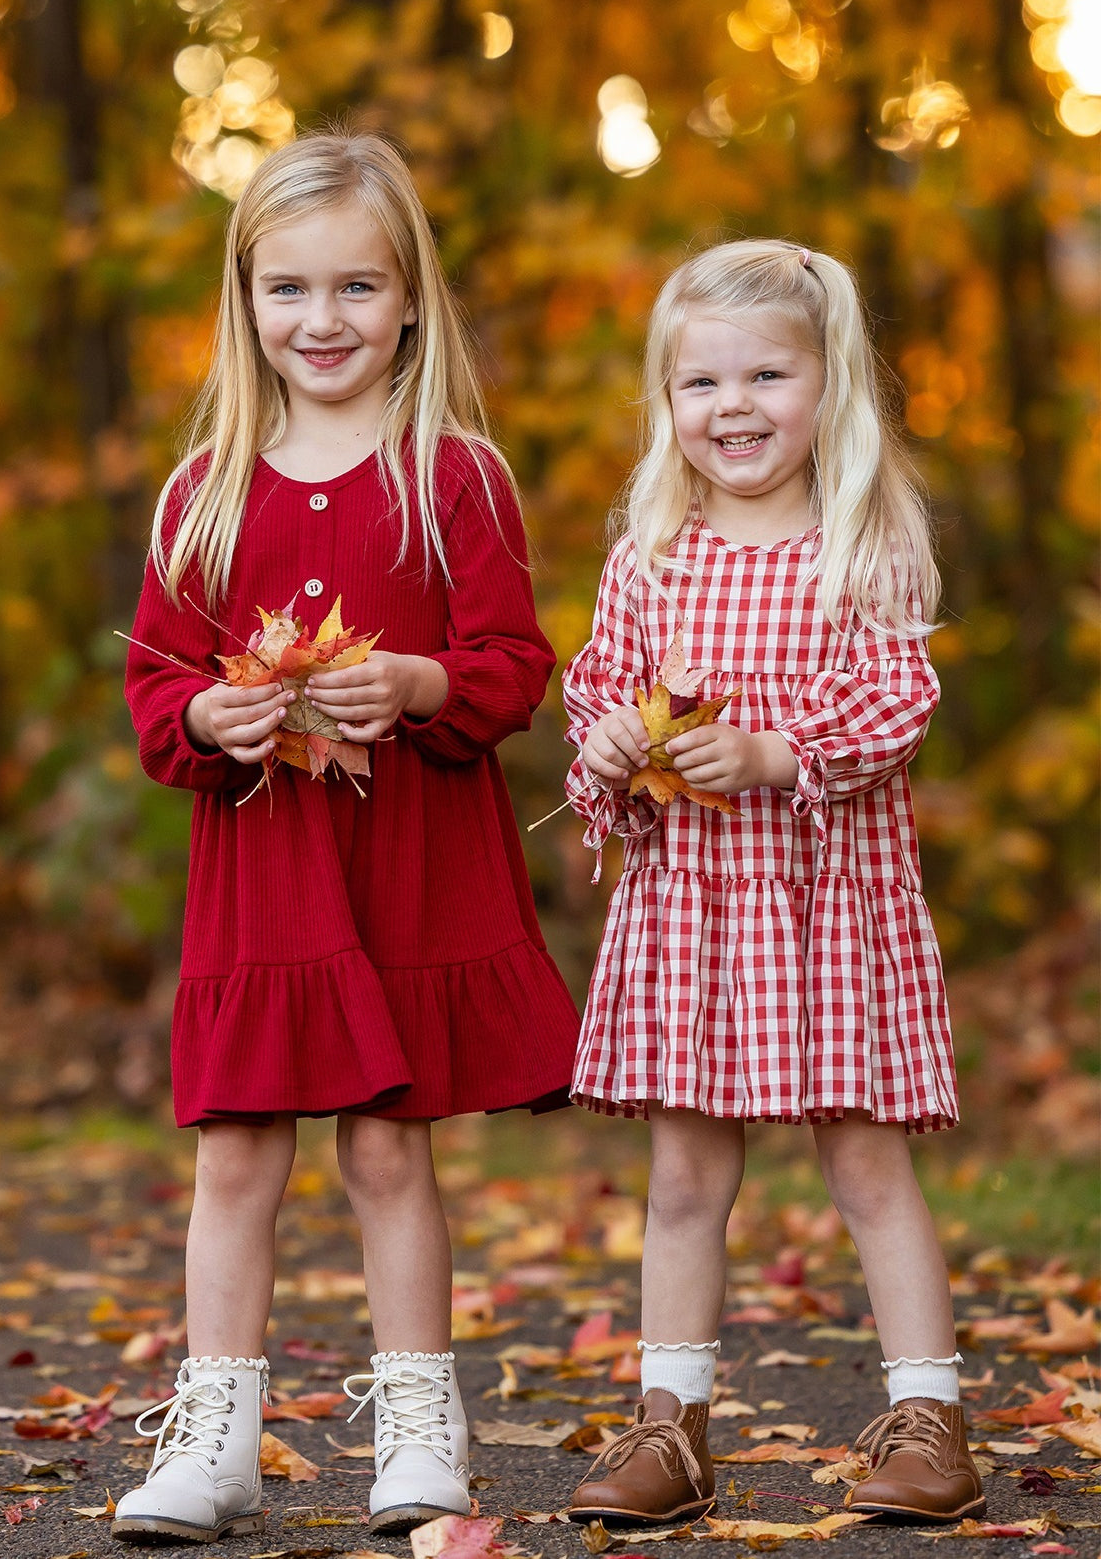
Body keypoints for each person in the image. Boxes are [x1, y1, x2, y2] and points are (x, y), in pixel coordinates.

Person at [117, 129, 579, 1542]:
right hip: (265, 878)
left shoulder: (456, 477)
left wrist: (427, 684)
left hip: (406, 868)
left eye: (358, 289)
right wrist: (209, 721)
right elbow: (154, 690)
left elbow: (511, 664)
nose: (323, 321)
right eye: (290, 290)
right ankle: (218, 1431)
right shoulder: (203, 493)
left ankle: (420, 1423)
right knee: (238, 1151)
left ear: (409, 301)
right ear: (244, 301)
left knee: (388, 1151)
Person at [560, 239, 984, 1528]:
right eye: (700, 383)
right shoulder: (650, 555)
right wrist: (615, 748)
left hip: (829, 910)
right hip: (694, 912)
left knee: (865, 1165)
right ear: (665, 402)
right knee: (687, 1179)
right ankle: (669, 1428)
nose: (731, 406)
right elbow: (597, 706)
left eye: (765, 375)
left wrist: (770, 752)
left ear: (827, 387)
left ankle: (927, 1418)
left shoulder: (862, 543)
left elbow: (895, 709)